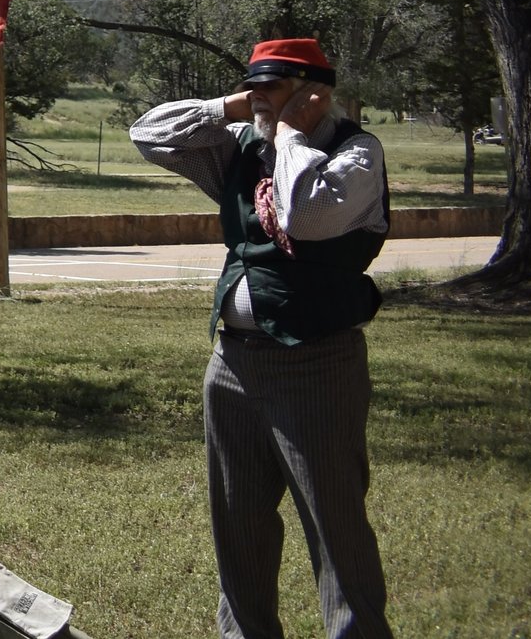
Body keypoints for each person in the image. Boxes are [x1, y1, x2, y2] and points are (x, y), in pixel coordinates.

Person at [129, 37, 393, 639]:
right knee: (238, 521)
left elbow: (305, 216)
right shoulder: (243, 144)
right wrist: (231, 108)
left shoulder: (356, 153)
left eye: (272, 87)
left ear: (315, 92)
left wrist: (293, 135)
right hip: (234, 363)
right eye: (255, 86)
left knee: (335, 527)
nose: (260, 99)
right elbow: (147, 134)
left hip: (317, 363)